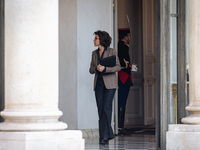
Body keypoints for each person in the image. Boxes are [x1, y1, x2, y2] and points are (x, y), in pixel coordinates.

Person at [89, 30, 121, 144]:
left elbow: (118, 67)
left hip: (110, 84)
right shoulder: (94, 53)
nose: (94, 40)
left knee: (107, 107)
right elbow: (90, 70)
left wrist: (106, 69)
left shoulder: (112, 51)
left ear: (101, 40)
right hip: (99, 83)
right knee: (100, 109)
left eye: (96, 38)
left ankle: (105, 136)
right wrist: (96, 68)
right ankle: (105, 135)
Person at [117, 28, 133, 135]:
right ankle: (120, 127)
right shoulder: (123, 46)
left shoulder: (123, 46)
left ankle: (120, 126)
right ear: (126, 37)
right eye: (129, 36)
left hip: (125, 76)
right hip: (123, 77)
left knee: (122, 102)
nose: (130, 38)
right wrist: (129, 66)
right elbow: (123, 63)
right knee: (121, 102)